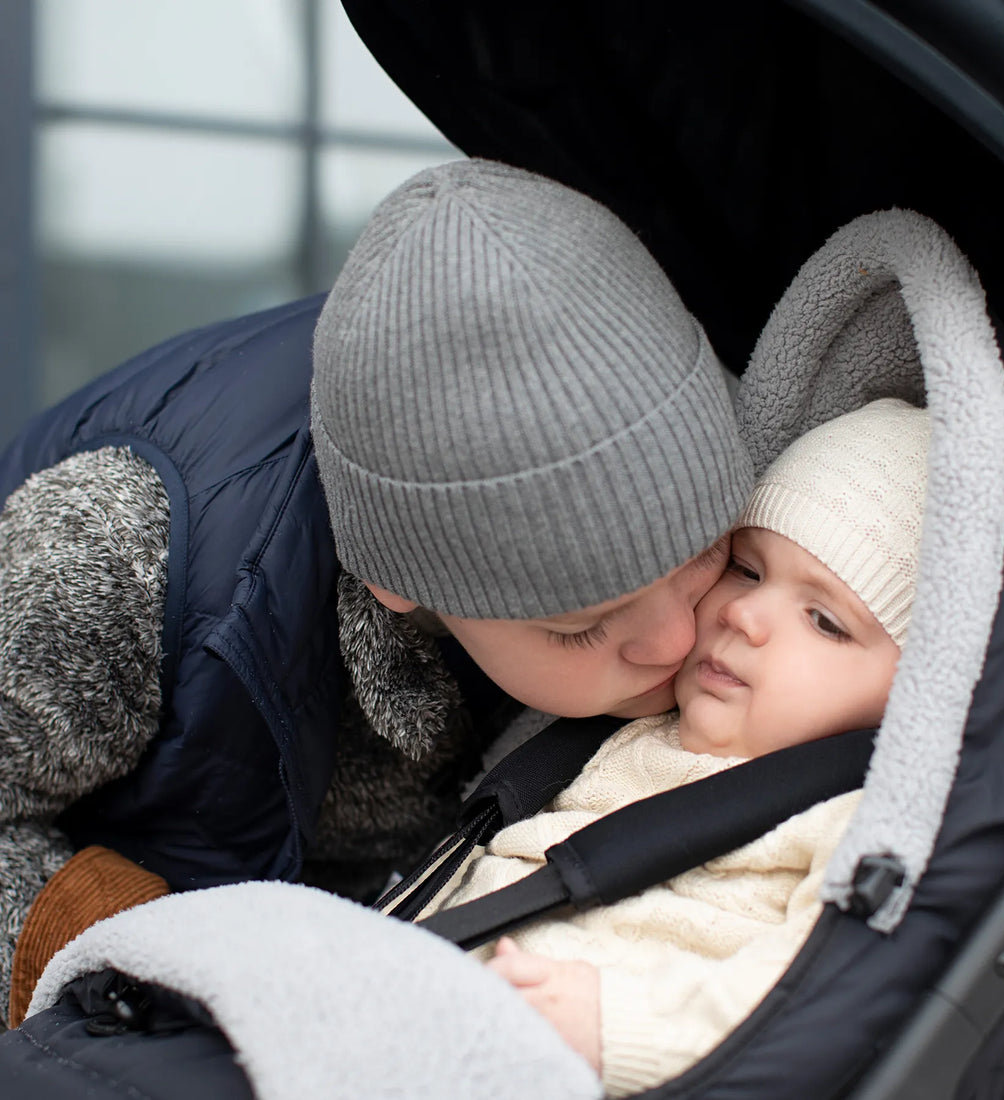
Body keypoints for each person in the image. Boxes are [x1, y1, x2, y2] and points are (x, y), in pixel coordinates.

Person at [0, 158, 754, 1026]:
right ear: (397, 580)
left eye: (707, 551)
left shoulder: (742, 455)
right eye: (582, 624)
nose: (677, 638)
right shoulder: (113, 557)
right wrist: (154, 975)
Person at [422, 398, 930, 1098]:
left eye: (823, 621)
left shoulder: (857, 821)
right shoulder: (622, 724)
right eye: (746, 569)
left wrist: (621, 1030)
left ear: (914, 696)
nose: (744, 614)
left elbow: (828, 1005)